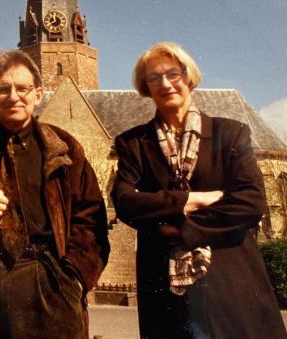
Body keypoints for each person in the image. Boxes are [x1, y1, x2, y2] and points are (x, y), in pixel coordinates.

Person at [111, 42, 286, 339]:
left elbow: (251, 201)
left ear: (188, 77)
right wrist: (190, 200)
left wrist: (185, 230)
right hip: (165, 290)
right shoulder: (133, 144)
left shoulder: (230, 133)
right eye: (155, 77)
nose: (165, 83)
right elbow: (125, 202)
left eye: (173, 73)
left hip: (230, 280)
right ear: (145, 87)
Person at [0, 50, 109, 339]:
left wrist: (74, 278)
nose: (14, 96)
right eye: (3, 88)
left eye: (23, 88)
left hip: (43, 276)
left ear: (38, 94)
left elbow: (90, 218)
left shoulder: (65, 147)